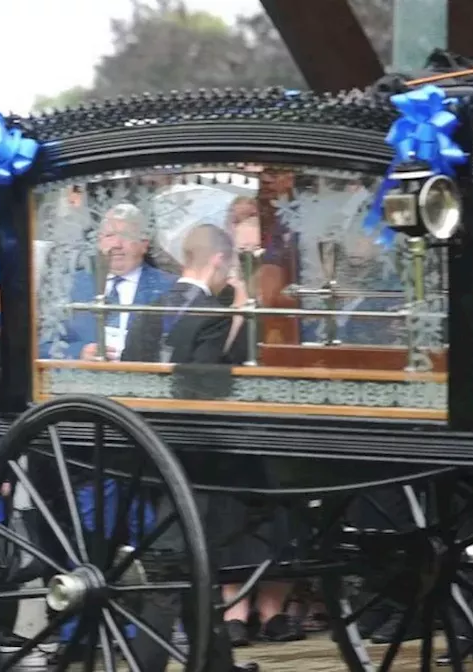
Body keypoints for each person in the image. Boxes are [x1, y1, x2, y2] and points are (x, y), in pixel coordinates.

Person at [123, 225, 262, 672]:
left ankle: (217, 663)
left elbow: (129, 366)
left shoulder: (150, 306)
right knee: (173, 567)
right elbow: (205, 387)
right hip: (192, 456)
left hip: (146, 445)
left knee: (194, 565)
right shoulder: (212, 313)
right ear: (219, 260)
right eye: (231, 266)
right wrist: (238, 318)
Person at [51, 204, 176, 361]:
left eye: (126, 235)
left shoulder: (169, 287)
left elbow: (176, 348)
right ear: (99, 243)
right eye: (109, 236)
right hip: (82, 380)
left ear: (144, 244)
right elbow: (43, 344)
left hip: (141, 381)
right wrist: (79, 353)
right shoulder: (72, 284)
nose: (117, 244)